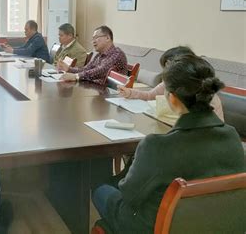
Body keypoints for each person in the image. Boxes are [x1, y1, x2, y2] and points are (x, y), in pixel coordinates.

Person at [92, 55, 245, 233]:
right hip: (217, 225)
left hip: (155, 226)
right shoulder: (232, 137)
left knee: (100, 188)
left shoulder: (156, 145)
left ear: (172, 98)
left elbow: (129, 194)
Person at [118, 46, 224, 120]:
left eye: (168, 68)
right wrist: (130, 93)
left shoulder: (204, 92)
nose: (165, 73)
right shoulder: (170, 83)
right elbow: (150, 95)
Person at [59, 25, 127, 84]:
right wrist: (69, 69)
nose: (93, 41)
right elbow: (86, 69)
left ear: (107, 38)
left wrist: (76, 76)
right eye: (93, 39)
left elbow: (101, 70)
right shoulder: (98, 55)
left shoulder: (116, 54)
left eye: (96, 37)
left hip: (109, 94)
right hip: (96, 89)